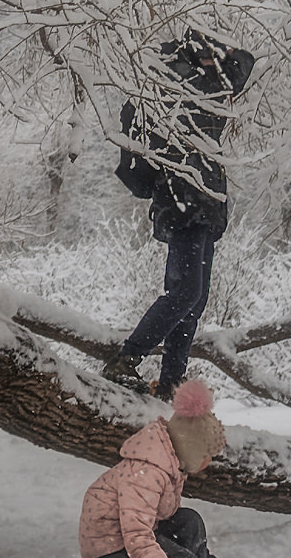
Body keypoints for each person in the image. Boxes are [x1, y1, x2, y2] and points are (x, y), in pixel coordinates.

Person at [105, 30, 256, 398]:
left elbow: (244, 62)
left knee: (194, 299)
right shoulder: (165, 89)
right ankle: (127, 359)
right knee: (186, 292)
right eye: (205, 57)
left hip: (204, 204)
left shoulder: (210, 86)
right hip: (182, 201)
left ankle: (171, 383)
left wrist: (207, 46)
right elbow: (135, 159)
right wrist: (204, 51)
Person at [78, 379, 239, 558]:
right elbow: (136, 532)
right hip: (109, 543)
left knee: (189, 520)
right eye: (205, 455)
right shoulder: (146, 473)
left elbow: (160, 518)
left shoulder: (169, 464)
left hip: (136, 530)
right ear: (189, 447)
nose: (206, 463)